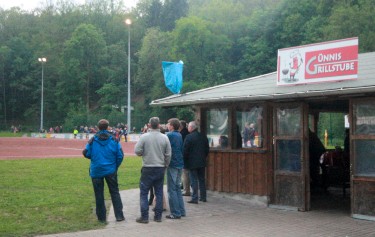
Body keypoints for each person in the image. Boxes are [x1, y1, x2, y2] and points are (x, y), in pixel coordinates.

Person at [82, 119, 125, 223]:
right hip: (111, 170)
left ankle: (101, 217)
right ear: (107, 127)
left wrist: (94, 158)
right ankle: (119, 215)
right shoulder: (114, 140)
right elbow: (120, 155)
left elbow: (85, 152)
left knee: (99, 194)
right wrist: (115, 166)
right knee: (114, 192)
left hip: (96, 170)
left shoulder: (93, 140)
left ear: (98, 127)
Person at [134, 117, 171, 224]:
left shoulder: (144, 137)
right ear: (159, 125)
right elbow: (168, 154)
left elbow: (137, 151)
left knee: (144, 192)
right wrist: (166, 165)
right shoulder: (165, 137)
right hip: (160, 167)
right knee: (159, 192)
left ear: (149, 125)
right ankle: (158, 216)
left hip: (147, 167)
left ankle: (145, 217)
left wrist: (143, 153)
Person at [183, 121, 209, 204]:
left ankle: (195, 198)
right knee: (202, 179)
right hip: (201, 161)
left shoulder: (188, 137)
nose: (188, 128)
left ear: (191, 128)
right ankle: (203, 197)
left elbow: (185, 151)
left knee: (193, 180)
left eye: (189, 127)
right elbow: (207, 149)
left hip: (192, 162)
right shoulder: (203, 136)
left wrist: (184, 160)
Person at [165, 118, 186, 219]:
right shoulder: (179, 135)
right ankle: (181, 211)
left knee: (171, 189)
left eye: (168, 124)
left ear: (172, 126)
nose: (167, 126)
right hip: (179, 163)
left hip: (172, 164)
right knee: (177, 188)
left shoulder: (170, 135)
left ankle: (175, 213)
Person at [179, 120, 190, 196]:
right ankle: (184, 187)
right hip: (189, 157)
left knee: (185, 174)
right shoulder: (187, 133)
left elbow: (183, 147)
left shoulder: (182, 134)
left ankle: (186, 190)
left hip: (185, 157)